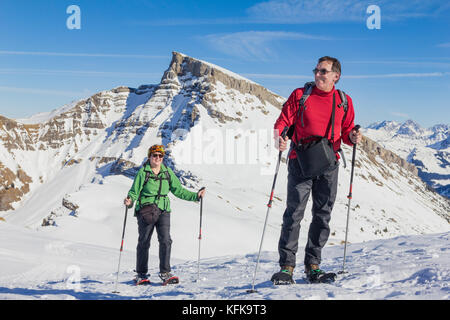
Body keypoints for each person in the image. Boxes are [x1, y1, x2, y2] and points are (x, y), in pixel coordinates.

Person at [271, 56, 362, 284]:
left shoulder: (344, 101)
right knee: (294, 214)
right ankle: (287, 267)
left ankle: (313, 265)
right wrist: (280, 137)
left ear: (335, 76)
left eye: (323, 71)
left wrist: (352, 136)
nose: (318, 74)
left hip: (329, 164)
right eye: (316, 70)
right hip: (300, 161)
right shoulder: (300, 96)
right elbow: (283, 121)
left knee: (322, 215)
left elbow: (347, 132)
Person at [124, 144, 206, 285]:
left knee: (166, 240)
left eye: (160, 156)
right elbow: (134, 192)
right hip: (146, 210)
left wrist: (196, 196)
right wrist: (129, 201)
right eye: (155, 155)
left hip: (163, 209)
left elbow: (179, 190)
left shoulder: (167, 172)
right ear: (149, 157)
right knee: (144, 241)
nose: (157, 158)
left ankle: (165, 273)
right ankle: (141, 274)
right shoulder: (143, 173)